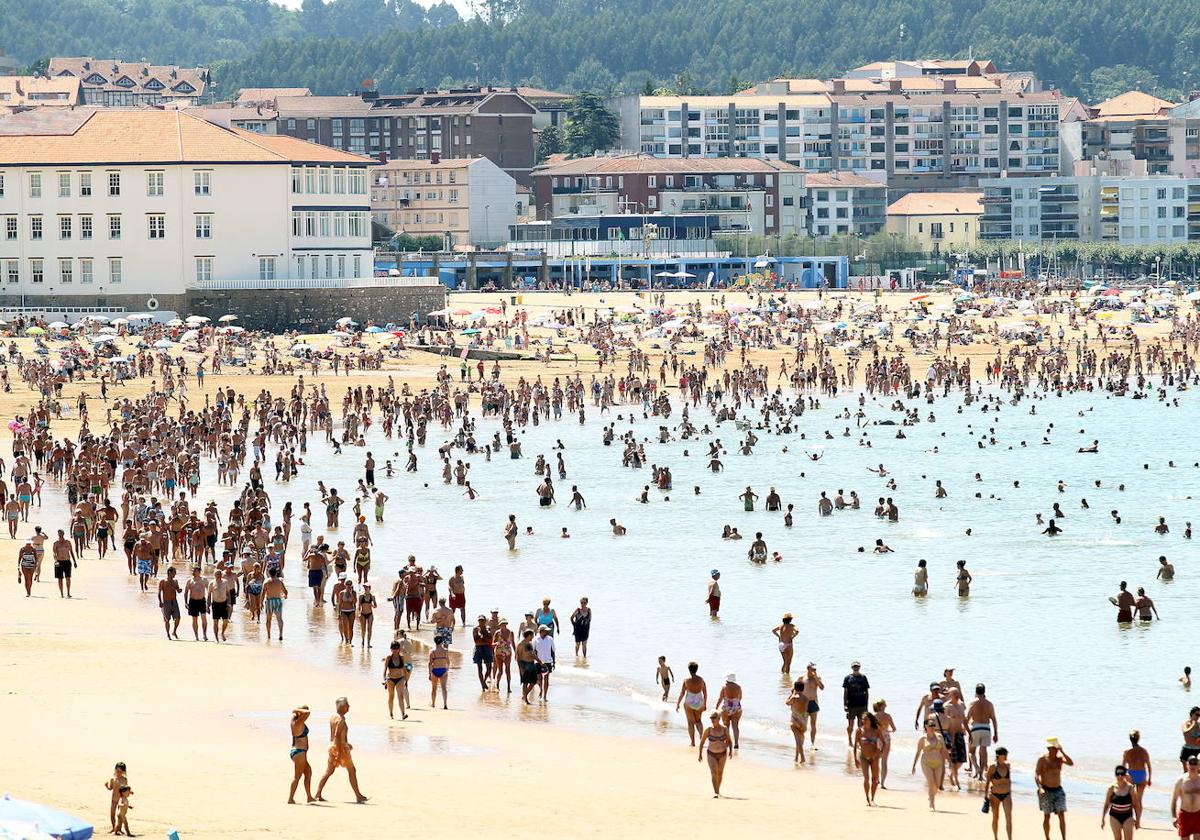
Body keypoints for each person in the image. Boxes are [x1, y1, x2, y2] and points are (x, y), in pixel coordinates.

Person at [314, 697, 367, 803]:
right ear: (343, 707)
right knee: (352, 770)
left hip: (332, 746)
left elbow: (335, 736)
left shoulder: (333, 716)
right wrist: (340, 750)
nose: (349, 707)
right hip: (339, 748)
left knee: (329, 771)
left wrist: (344, 744)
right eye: (347, 705)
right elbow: (337, 735)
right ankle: (358, 796)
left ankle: (317, 794)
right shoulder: (341, 719)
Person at [1035, 737, 1073, 840]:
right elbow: (1037, 775)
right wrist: (1040, 788)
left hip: (1058, 790)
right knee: (1047, 816)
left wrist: (1063, 751)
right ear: (1049, 749)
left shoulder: (1060, 759)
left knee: (1061, 814)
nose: (1055, 750)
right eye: (1053, 748)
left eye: (1056, 748)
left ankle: (1064, 838)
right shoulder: (1042, 759)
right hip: (1046, 790)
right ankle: (1047, 838)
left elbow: (1071, 763)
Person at [912, 718, 948, 811]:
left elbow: (944, 750)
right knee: (931, 782)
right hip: (926, 763)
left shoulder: (939, 737)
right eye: (930, 725)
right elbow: (918, 752)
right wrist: (914, 765)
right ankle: (932, 805)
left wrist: (950, 762)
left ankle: (930, 796)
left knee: (937, 785)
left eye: (934, 725)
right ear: (925, 726)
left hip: (938, 764)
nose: (932, 727)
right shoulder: (922, 739)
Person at [968, 683, 1000, 780]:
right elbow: (994, 719)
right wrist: (996, 734)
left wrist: (968, 731)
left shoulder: (973, 703)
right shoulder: (989, 704)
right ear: (984, 691)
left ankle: (976, 768)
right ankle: (981, 776)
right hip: (986, 728)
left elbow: (967, 717)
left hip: (976, 727)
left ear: (976, 691)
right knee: (983, 752)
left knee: (971, 752)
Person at [983, 747, 1014, 840]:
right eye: (1005, 754)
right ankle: (996, 838)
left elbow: (1009, 780)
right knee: (996, 817)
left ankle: (1010, 838)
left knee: (1009, 817)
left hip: (1007, 794)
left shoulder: (1008, 765)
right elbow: (988, 781)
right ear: (999, 756)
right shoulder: (992, 767)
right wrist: (985, 795)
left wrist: (1010, 791)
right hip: (995, 795)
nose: (1006, 756)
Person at [698, 711, 730, 798]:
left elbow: (729, 740)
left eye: (714, 718)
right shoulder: (708, 730)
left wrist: (730, 751)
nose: (712, 720)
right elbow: (702, 742)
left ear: (719, 719)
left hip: (722, 754)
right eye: (711, 718)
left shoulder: (724, 729)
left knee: (720, 773)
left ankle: (718, 790)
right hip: (711, 754)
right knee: (713, 772)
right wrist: (700, 754)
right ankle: (716, 792)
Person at [676, 662, 708, 747]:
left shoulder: (686, 680)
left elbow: (682, 693)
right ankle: (701, 737)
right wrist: (705, 703)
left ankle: (693, 742)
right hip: (699, 701)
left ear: (689, 670)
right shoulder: (701, 680)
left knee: (690, 723)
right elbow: (705, 692)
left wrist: (678, 703)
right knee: (698, 721)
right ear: (696, 669)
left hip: (689, 701)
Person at [1123, 730, 1152, 824]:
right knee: (1139, 799)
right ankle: (1138, 821)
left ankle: (1130, 818)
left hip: (1131, 775)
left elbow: (1123, 766)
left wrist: (1123, 777)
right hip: (1141, 774)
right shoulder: (1144, 751)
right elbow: (1149, 766)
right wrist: (1150, 778)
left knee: (1130, 799)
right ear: (1138, 739)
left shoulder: (1127, 752)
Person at [855, 711, 884, 805]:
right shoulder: (859, 731)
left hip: (874, 758)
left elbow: (884, 743)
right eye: (863, 719)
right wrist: (855, 759)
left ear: (870, 720)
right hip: (863, 757)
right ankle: (867, 798)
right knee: (866, 778)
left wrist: (880, 753)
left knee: (875, 779)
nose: (864, 721)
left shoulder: (876, 730)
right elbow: (855, 745)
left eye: (866, 719)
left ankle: (872, 798)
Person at [288, 705, 314, 804]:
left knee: (308, 772)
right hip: (299, 752)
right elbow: (308, 712)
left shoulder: (294, 720)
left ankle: (309, 797)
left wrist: (298, 711)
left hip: (299, 752)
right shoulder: (298, 722)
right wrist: (297, 710)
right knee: (297, 777)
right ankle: (290, 798)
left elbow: (306, 713)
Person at [1101, 765, 1137, 838]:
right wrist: (1103, 818)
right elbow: (1107, 804)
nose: (1120, 776)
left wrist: (1138, 819)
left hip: (1128, 816)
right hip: (1114, 816)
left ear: (1125, 775)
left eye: (1122, 774)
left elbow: (1136, 805)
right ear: (1115, 775)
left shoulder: (1130, 788)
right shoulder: (1111, 788)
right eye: (1118, 774)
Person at [1172, 755, 1200, 839]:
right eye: (1190, 763)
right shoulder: (1180, 780)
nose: (1192, 766)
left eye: (1195, 763)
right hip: (1185, 815)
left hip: (1198, 814)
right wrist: (1174, 817)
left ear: (1199, 766)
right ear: (1187, 765)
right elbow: (1174, 800)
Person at [843, 661, 870, 747]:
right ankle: (850, 739)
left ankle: (858, 741)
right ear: (852, 668)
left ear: (859, 667)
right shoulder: (848, 678)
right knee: (851, 724)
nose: (856, 668)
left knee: (861, 725)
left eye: (857, 666)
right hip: (851, 705)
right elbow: (845, 692)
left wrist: (867, 705)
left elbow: (867, 692)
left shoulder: (863, 677)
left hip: (862, 705)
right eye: (854, 667)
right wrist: (845, 704)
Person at [104, 761, 133, 836]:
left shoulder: (124, 779)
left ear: (123, 772)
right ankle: (114, 828)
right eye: (117, 771)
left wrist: (130, 792)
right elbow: (110, 788)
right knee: (112, 814)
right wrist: (107, 786)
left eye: (120, 771)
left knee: (120, 816)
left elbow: (126, 789)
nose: (118, 773)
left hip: (121, 800)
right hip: (114, 800)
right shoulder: (113, 779)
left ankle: (119, 829)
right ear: (115, 770)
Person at [716, 675, 743, 750]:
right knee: (735, 726)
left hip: (726, 708)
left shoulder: (724, 687)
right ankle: (736, 743)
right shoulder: (738, 687)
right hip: (736, 708)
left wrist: (716, 707)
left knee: (726, 726)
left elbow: (720, 699)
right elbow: (740, 698)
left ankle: (727, 741)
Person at [786, 680, 808, 764]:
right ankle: (796, 758)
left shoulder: (794, 697)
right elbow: (805, 710)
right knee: (800, 740)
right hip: (804, 721)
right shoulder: (806, 698)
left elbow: (787, 703)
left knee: (797, 740)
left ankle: (802, 757)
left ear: (795, 688)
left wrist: (792, 694)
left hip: (795, 721)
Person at [533, 624, 556, 702]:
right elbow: (533, 651)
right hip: (538, 661)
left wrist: (554, 662)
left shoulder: (550, 639)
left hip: (548, 662)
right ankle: (541, 690)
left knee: (546, 678)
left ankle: (545, 696)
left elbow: (553, 651)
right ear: (541, 631)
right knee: (539, 679)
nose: (547, 632)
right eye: (546, 631)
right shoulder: (535, 639)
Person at [472, 614, 494, 690]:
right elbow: (476, 640)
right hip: (478, 648)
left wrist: (483, 637)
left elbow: (490, 638)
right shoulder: (475, 629)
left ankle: (484, 681)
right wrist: (483, 638)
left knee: (489, 667)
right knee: (479, 668)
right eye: (480, 620)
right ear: (478, 621)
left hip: (486, 648)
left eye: (483, 620)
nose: (481, 622)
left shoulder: (488, 628)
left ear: (485, 621)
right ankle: (482, 684)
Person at [428, 639, 451, 709]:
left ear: (435, 642)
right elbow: (448, 662)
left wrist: (429, 673)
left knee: (434, 688)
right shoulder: (445, 651)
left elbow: (430, 663)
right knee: (444, 688)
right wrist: (447, 669)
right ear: (442, 642)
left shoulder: (432, 651)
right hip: (443, 670)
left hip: (435, 670)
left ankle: (433, 704)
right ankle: (445, 704)